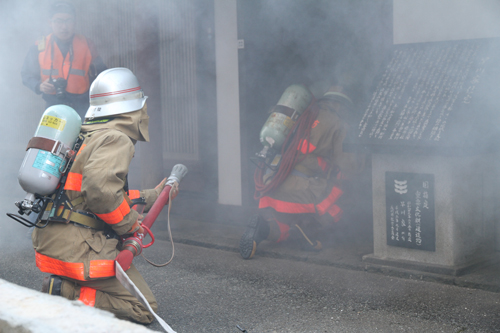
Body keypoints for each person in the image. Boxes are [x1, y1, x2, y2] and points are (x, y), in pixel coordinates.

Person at [32, 67, 172, 324]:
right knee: (143, 308)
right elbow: (100, 192)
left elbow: (83, 193)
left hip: (52, 241)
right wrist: (130, 225)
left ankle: (68, 290)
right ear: (132, 107)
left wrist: (150, 196)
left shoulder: (86, 133)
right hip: (79, 250)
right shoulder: (116, 138)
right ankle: (67, 292)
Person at [240, 85, 366, 259]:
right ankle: (309, 232)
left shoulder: (303, 115)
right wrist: (363, 163)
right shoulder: (339, 124)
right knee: (340, 199)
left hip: (272, 181)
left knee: (282, 229)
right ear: (341, 106)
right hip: (300, 188)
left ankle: (262, 228)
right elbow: (348, 166)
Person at [21, 1, 107, 119]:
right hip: (53, 108)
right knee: (52, 137)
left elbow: (103, 75)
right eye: (58, 21)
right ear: (50, 23)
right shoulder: (40, 46)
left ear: (75, 22)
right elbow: (26, 74)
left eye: (68, 21)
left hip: (83, 109)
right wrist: (39, 86)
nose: (64, 27)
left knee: (83, 138)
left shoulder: (87, 44)